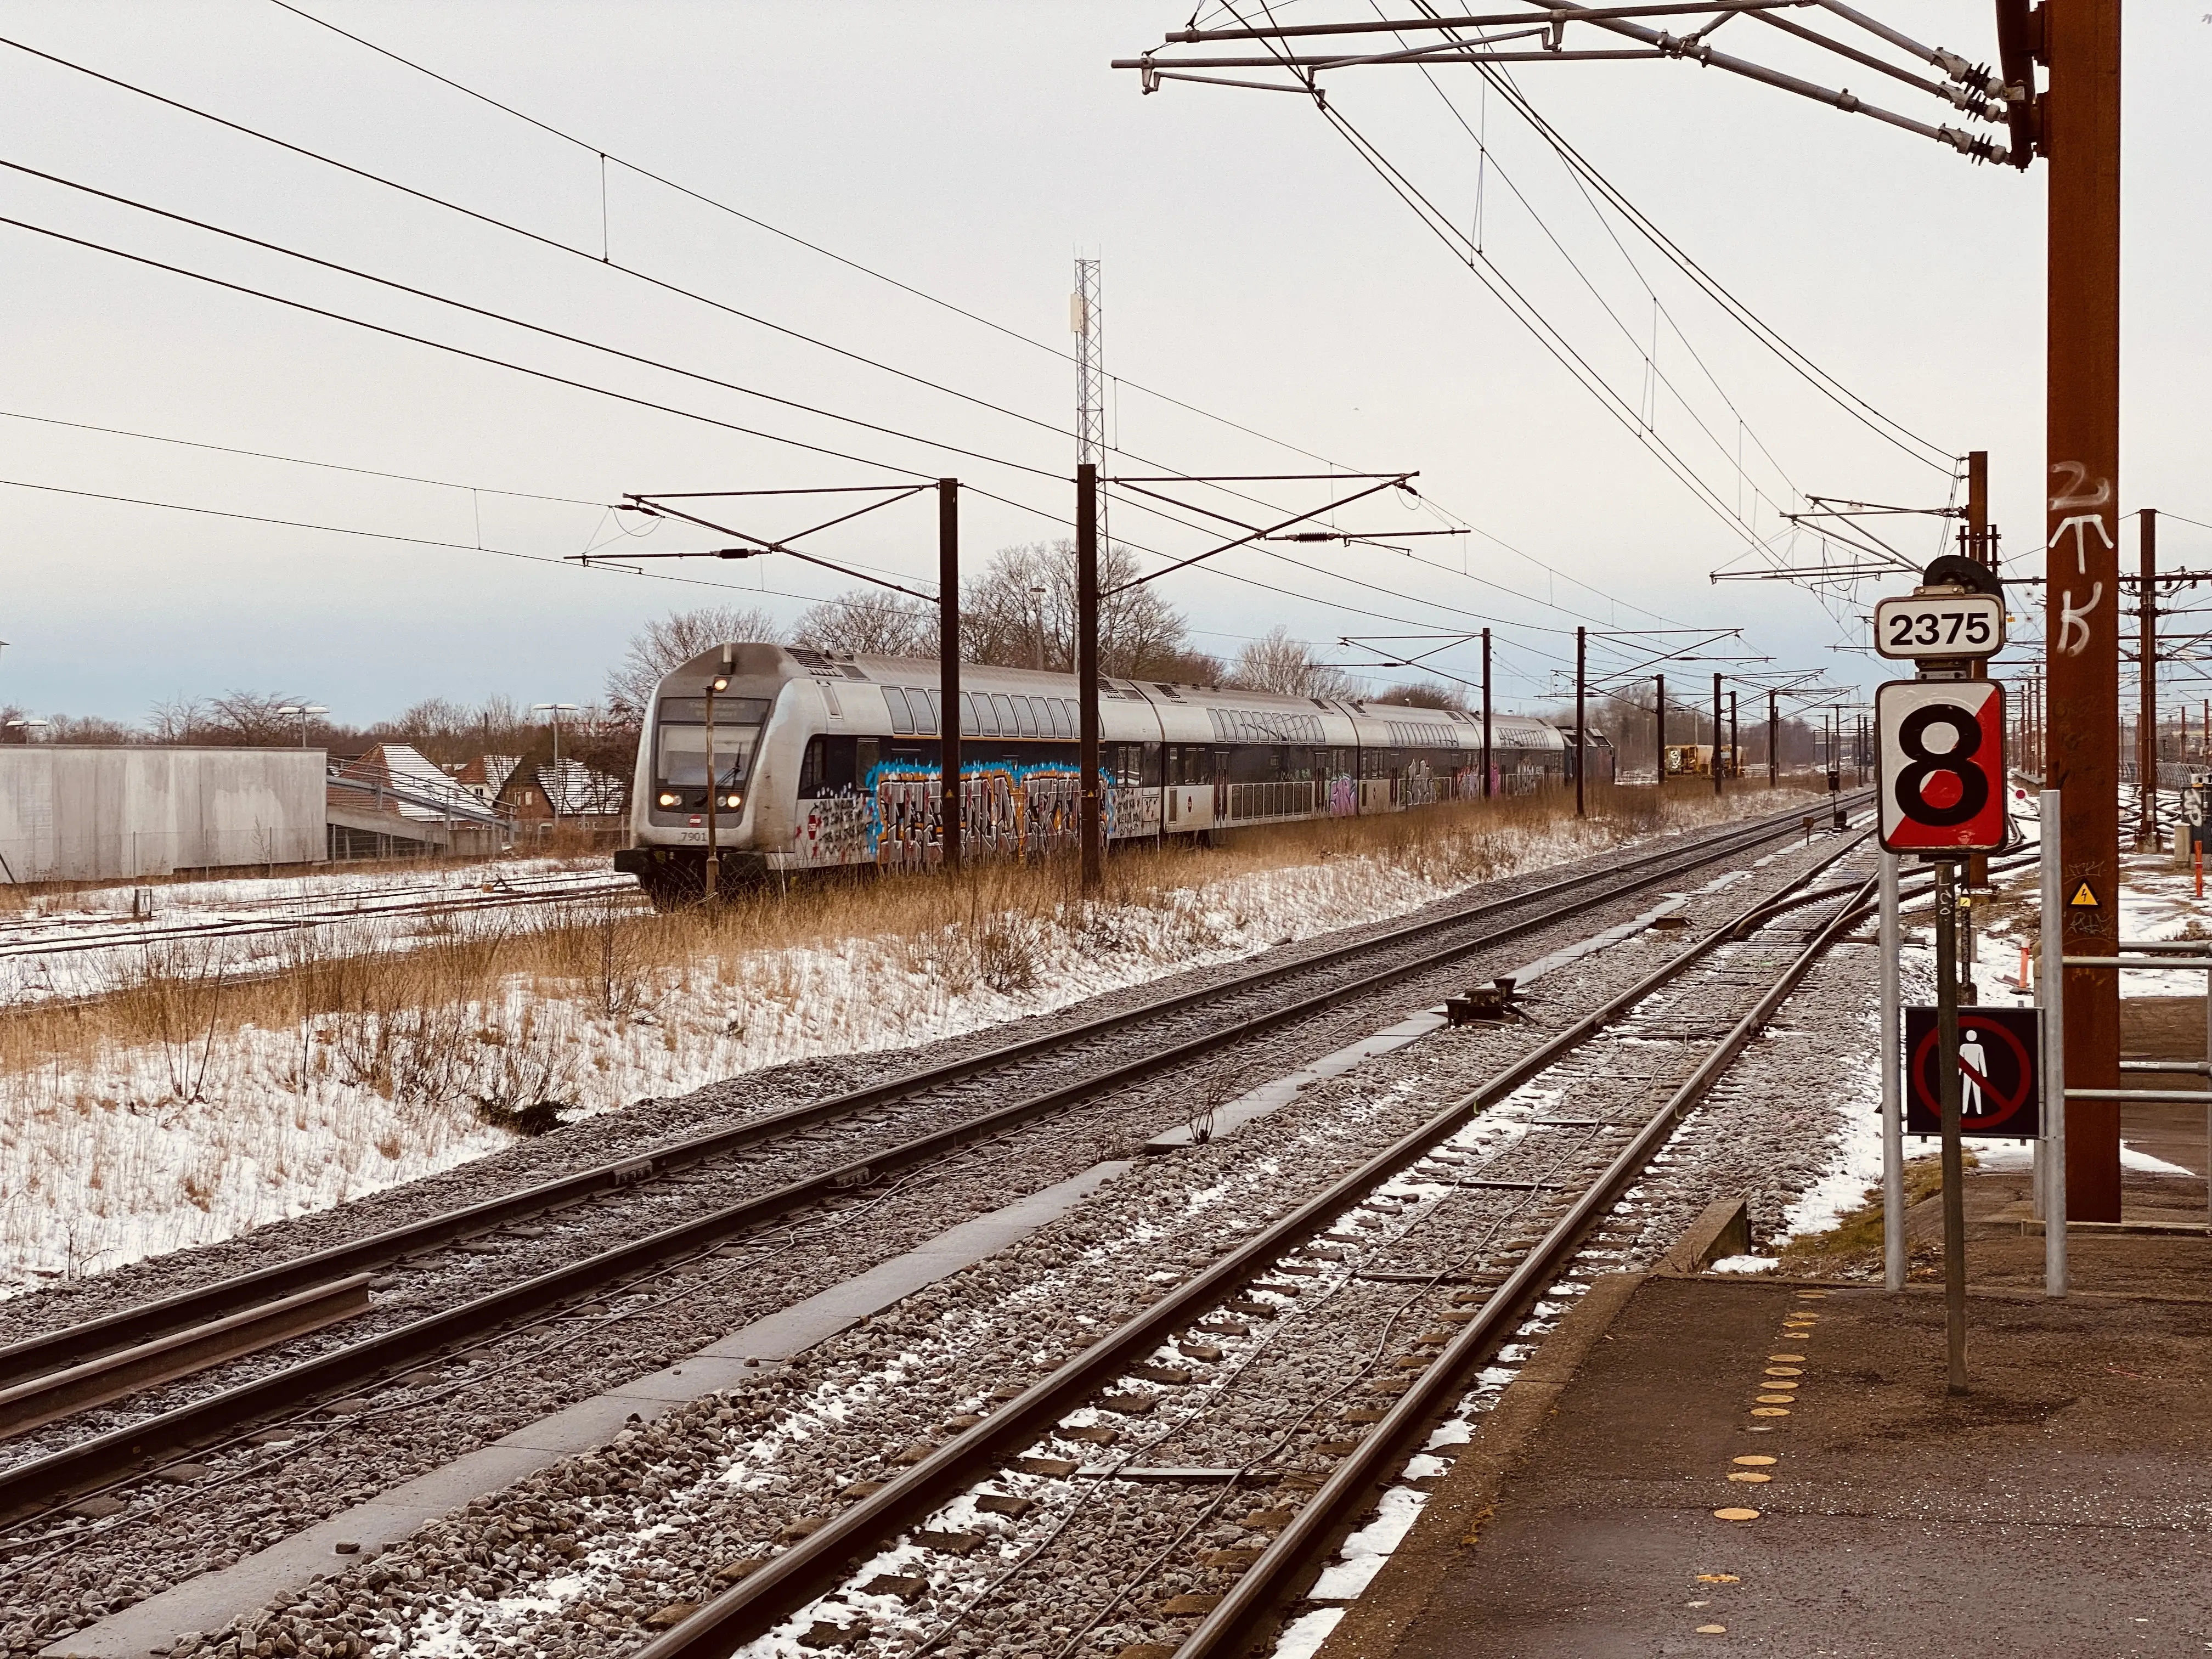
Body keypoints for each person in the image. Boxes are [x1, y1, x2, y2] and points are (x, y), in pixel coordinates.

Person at [1957, 1026, 1989, 1120]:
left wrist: (1959, 1072)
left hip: (1968, 1072)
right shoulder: (1978, 1047)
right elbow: (1982, 1061)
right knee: (1975, 1092)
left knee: (1966, 1092)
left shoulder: (1964, 1047)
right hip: (1976, 1072)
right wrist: (1984, 1074)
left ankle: (1965, 1111)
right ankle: (1978, 1111)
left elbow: (1961, 1061)